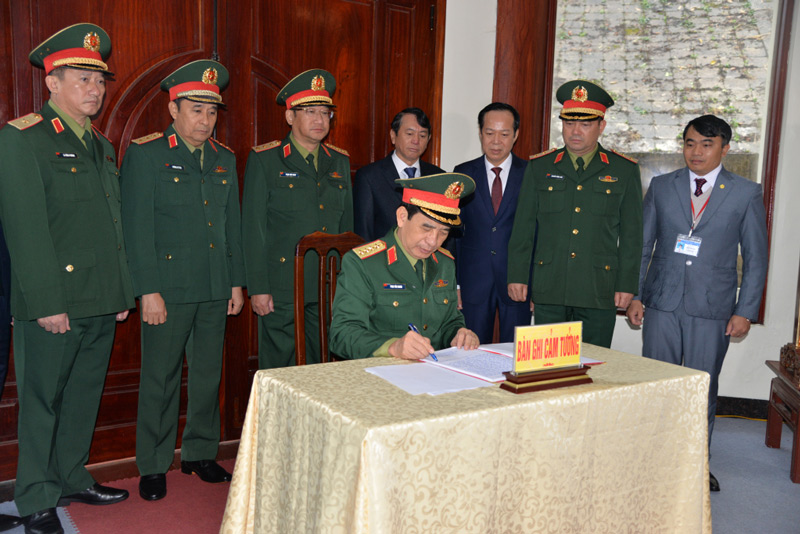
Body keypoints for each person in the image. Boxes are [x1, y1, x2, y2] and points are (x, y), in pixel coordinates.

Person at [0, 23, 134, 534]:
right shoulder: (23, 139)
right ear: (52, 82)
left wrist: (120, 289)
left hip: (101, 297)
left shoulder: (100, 146)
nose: (94, 89)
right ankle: (35, 496)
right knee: (42, 399)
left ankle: (71, 476)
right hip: (54, 302)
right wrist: (46, 301)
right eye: (81, 78)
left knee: (83, 395)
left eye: (99, 80)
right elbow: (27, 231)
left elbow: (112, 225)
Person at [120, 60, 244, 501]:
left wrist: (236, 282)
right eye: (196, 110)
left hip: (214, 285)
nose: (205, 121)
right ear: (173, 109)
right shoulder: (148, 153)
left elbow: (232, 226)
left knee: (209, 374)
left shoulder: (224, 158)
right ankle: (153, 464)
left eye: (212, 113)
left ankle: (199, 452)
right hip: (167, 290)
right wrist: (146, 289)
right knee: (161, 377)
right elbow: (136, 229)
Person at [626, 115, 768, 492]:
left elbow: (755, 258)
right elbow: (643, 246)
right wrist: (636, 294)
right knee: (658, 384)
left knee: (701, 387)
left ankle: (695, 465)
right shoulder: (661, 186)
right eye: (690, 143)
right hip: (662, 302)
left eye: (706, 144)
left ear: (725, 148)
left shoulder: (745, 192)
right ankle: (655, 461)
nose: (696, 152)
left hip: (713, 306)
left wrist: (745, 310)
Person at [507, 80, 643, 348]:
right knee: (548, 365)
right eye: (569, 123)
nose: (575, 131)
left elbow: (632, 235)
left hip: (598, 288)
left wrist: (627, 284)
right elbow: (523, 228)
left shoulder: (623, 170)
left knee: (594, 367)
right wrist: (518, 276)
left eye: (585, 124)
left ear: (601, 126)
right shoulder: (540, 167)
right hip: (550, 286)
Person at [242, 69, 353, 369]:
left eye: (325, 112)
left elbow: (347, 233)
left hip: (327, 286)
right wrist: (258, 288)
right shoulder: (265, 160)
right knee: (280, 369)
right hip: (281, 287)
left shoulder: (339, 161)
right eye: (310, 112)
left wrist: (347, 288)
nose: (320, 120)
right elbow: (253, 230)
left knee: (323, 369)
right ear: (290, 117)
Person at [330, 173, 480, 359]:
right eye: (426, 228)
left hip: (434, 373)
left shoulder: (445, 263)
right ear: (402, 217)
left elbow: (450, 321)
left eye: (443, 233)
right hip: (380, 374)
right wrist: (393, 347)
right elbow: (342, 334)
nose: (433, 241)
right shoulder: (362, 263)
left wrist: (459, 333)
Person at [452, 102, 532, 343]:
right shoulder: (462, 173)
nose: (496, 141)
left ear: (516, 135)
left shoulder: (531, 174)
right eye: (489, 133)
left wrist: (534, 285)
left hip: (518, 283)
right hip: (473, 282)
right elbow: (454, 233)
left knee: (516, 355)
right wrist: (454, 284)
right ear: (480, 133)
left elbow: (537, 233)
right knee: (470, 351)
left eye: (504, 134)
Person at [353, 108, 444, 240]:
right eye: (409, 134)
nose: (416, 141)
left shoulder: (438, 177)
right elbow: (363, 232)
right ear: (393, 136)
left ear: (429, 139)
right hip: (384, 258)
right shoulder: (369, 177)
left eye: (422, 136)